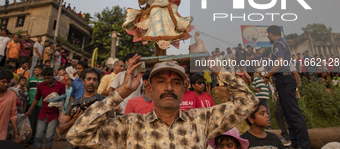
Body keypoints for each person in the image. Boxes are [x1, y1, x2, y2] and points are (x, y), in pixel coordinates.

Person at [67, 56, 259, 148]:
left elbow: (248, 102)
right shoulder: (130, 125)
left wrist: (219, 70)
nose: (168, 87)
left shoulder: (201, 120)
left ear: (185, 88)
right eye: (161, 82)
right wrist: (122, 92)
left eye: (176, 82)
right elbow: (76, 135)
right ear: (149, 88)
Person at [264, 25, 310, 149]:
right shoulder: (281, 44)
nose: (268, 37)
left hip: (284, 79)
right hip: (282, 80)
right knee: (288, 114)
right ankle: (295, 143)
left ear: (271, 34)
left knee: (294, 114)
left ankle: (303, 145)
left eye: (268, 34)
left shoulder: (278, 44)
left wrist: (267, 75)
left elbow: (279, 62)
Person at [25, 67, 66, 149]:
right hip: (43, 112)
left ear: (53, 75)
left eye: (48, 78)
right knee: (39, 134)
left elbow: (63, 98)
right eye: (45, 78)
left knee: (49, 136)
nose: (46, 80)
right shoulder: (40, 85)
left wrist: (57, 103)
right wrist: (29, 111)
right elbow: (36, 98)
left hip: (54, 113)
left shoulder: (61, 85)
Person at [59, 68, 104, 139]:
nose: (91, 82)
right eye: (88, 79)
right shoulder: (75, 103)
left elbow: (111, 127)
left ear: (98, 82)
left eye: (94, 79)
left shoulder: (103, 101)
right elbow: (61, 130)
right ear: (83, 81)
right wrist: (74, 120)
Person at [26, 65, 44, 147]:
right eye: (34, 70)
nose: (35, 72)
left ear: (41, 70)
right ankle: (30, 139)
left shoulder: (44, 80)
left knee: (38, 122)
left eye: (36, 70)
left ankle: (36, 140)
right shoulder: (30, 79)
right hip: (31, 103)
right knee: (31, 122)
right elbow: (27, 89)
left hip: (40, 103)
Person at [0, 69, 20, 143]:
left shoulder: (12, 95)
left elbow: (13, 115)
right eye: (3, 82)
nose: (6, 84)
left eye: (8, 82)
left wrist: (16, 133)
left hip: (2, 134)